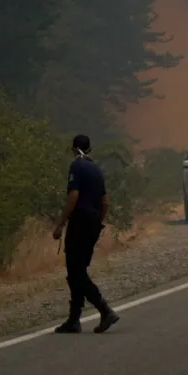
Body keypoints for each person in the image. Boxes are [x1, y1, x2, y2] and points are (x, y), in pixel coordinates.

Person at [53, 134, 120, 334]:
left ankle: (104, 309)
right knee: (77, 270)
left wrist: (60, 224)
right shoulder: (97, 170)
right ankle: (74, 319)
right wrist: (97, 222)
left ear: (74, 149)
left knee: (75, 270)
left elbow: (73, 196)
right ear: (90, 149)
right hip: (92, 224)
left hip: (80, 223)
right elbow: (105, 202)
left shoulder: (77, 167)